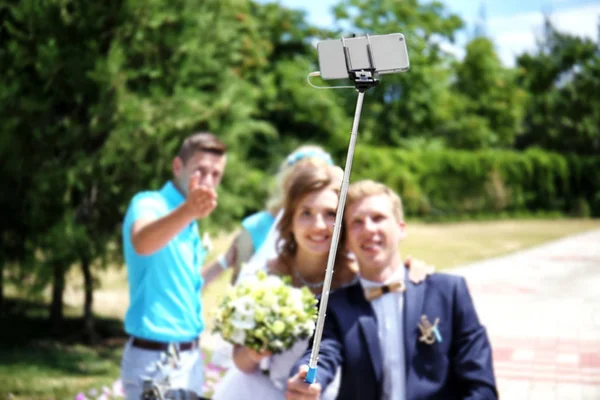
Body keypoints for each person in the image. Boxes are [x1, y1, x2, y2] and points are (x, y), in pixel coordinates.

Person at [211, 167, 435, 400]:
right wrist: (254, 353)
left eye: (330, 214)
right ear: (290, 221)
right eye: (306, 213)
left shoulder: (360, 279)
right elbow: (241, 363)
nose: (318, 225)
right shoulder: (264, 277)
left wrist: (412, 271)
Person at [287, 180, 498, 400]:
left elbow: (481, 386)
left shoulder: (449, 293)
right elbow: (319, 358)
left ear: (401, 228)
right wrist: (307, 379)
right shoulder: (334, 307)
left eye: (378, 218)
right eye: (357, 222)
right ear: (347, 241)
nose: (369, 228)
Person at [120, 132, 227, 399]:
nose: (208, 181)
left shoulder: (189, 218)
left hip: (189, 359)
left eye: (216, 174)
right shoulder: (149, 203)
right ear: (178, 166)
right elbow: (142, 242)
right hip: (155, 360)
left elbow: (184, 286)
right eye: (200, 171)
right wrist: (189, 211)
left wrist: (226, 261)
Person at [202, 145, 334, 286]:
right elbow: (239, 285)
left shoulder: (337, 224)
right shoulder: (255, 226)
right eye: (300, 183)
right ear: (286, 183)